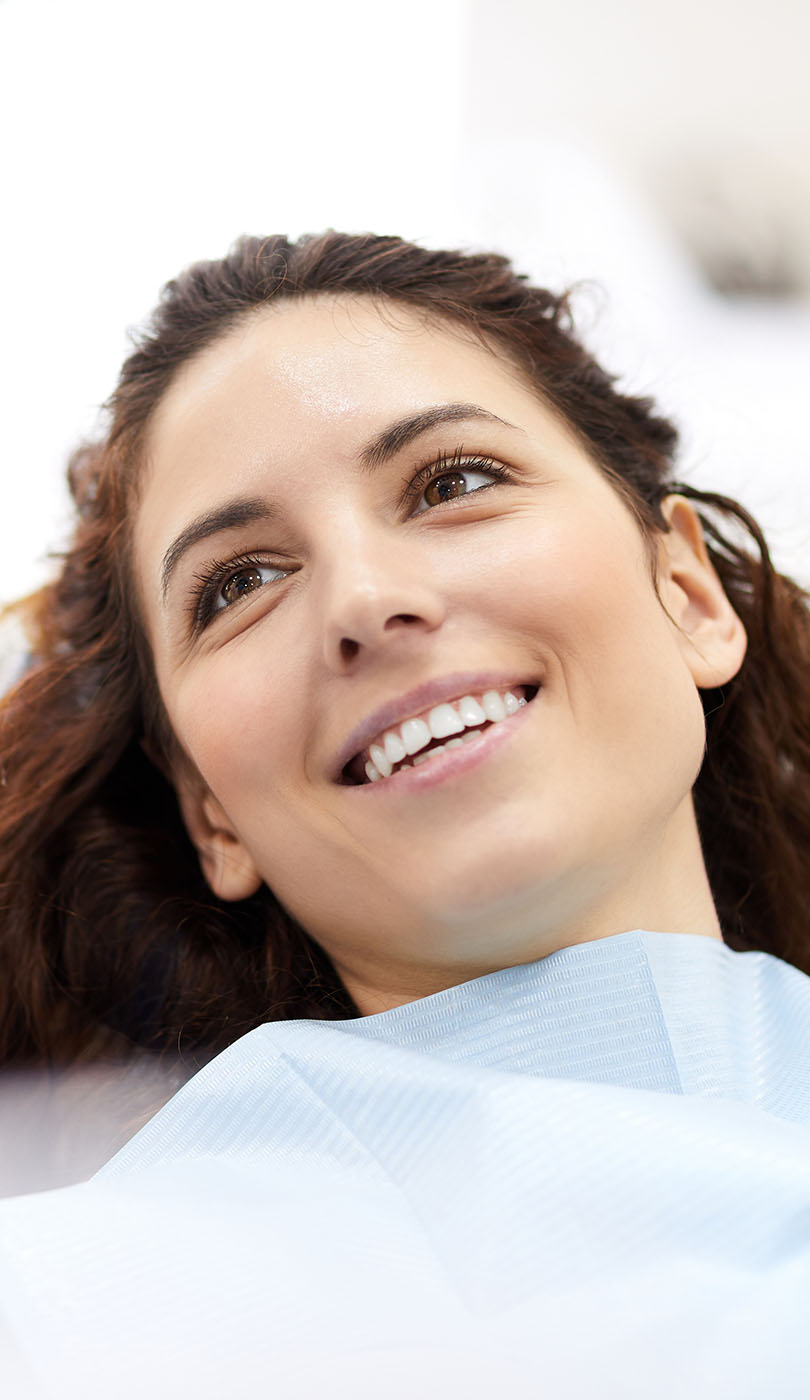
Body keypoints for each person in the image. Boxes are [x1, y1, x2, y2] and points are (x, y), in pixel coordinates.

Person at [1, 231, 810, 1397]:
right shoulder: (75, 1314)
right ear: (210, 813)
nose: (369, 599)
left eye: (455, 481)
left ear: (687, 594)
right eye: (241, 583)